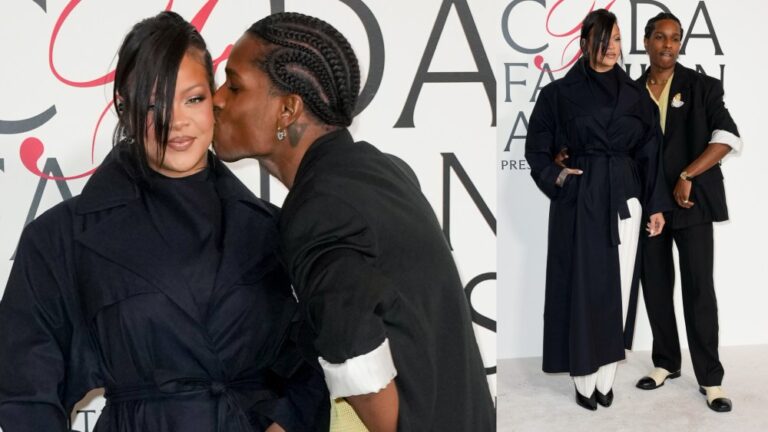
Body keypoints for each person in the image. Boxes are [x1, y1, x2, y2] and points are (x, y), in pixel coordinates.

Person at [0, 11, 328, 431]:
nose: (176, 121)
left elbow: (317, 358)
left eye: (193, 98)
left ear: (215, 101)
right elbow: (25, 392)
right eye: (154, 104)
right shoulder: (62, 238)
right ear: (124, 106)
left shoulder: (272, 228)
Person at [211, 12, 495, 432]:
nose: (217, 99)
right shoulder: (375, 170)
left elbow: (359, 365)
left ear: (287, 109)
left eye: (234, 86)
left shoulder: (319, 209)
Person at [525, 9, 671, 410]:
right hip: (582, 198)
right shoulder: (558, 94)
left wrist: (656, 205)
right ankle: (583, 376)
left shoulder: (636, 95)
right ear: (586, 42)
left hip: (625, 198)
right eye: (604, 40)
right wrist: (560, 178)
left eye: (618, 40)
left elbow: (651, 153)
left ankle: (605, 377)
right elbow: (536, 148)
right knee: (583, 287)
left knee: (619, 288)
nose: (612, 49)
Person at [634, 12, 740, 413]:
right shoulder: (630, 92)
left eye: (675, 38)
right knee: (656, 286)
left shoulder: (703, 87)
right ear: (646, 41)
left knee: (699, 290)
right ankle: (665, 363)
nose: (668, 45)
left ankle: (711, 380)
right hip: (651, 206)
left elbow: (727, 137)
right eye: (660, 37)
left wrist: (687, 174)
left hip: (692, 204)